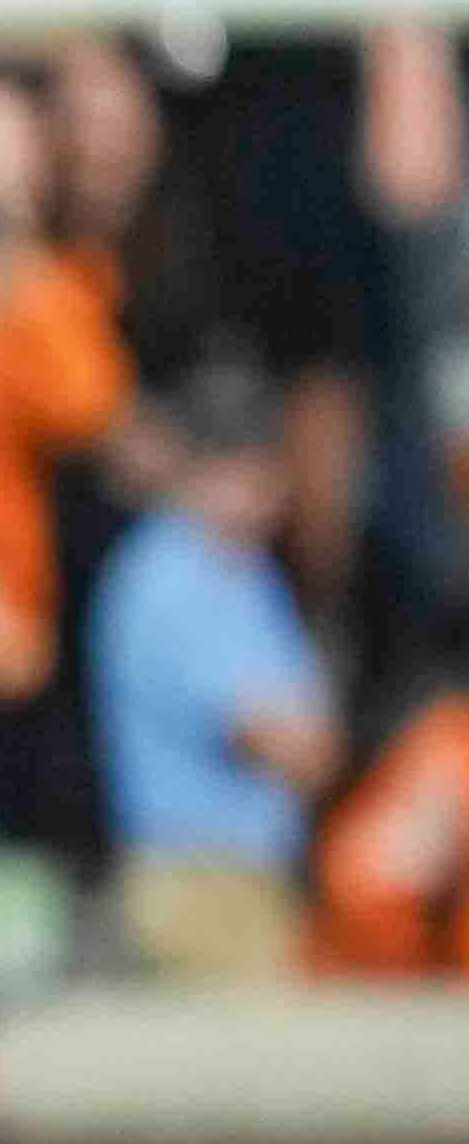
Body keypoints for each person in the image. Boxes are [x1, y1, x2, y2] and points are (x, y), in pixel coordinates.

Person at [85, 359, 340, 977]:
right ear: (195, 464)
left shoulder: (247, 569)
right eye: (234, 462)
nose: (258, 486)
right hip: (196, 886)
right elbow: (291, 748)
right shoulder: (171, 573)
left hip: (251, 879)